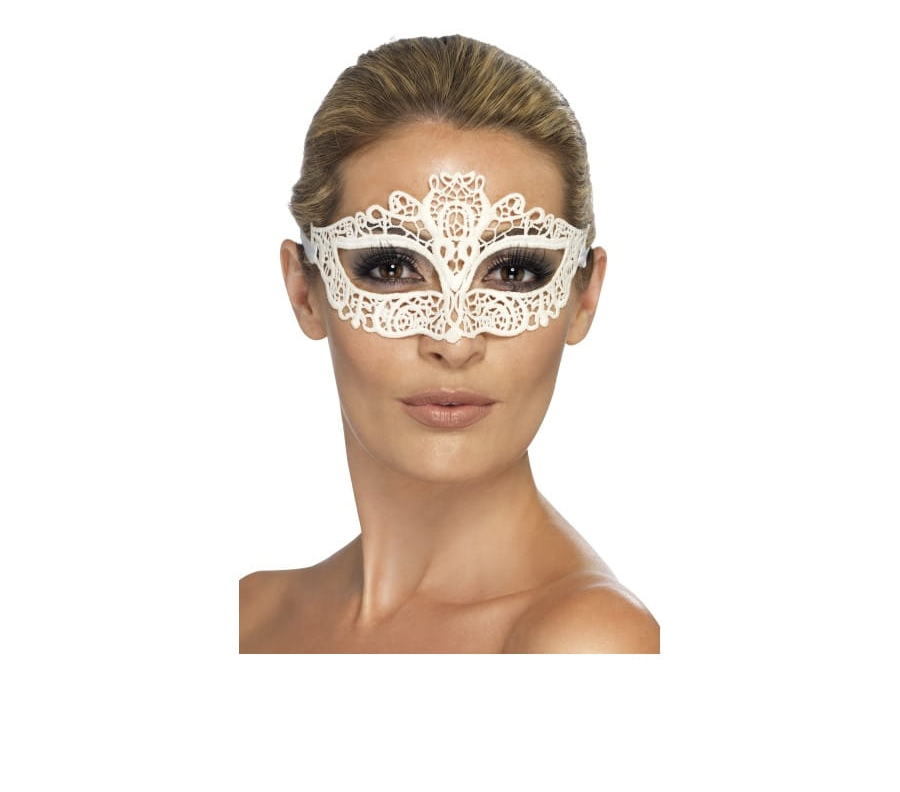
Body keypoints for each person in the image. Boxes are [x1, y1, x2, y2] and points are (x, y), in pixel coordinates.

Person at [239, 35, 659, 653]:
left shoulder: (586, 642)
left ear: (584, 296)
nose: (455, 340)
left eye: (512, 272)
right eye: (391, 268)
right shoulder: (249, 615)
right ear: (305, 290)